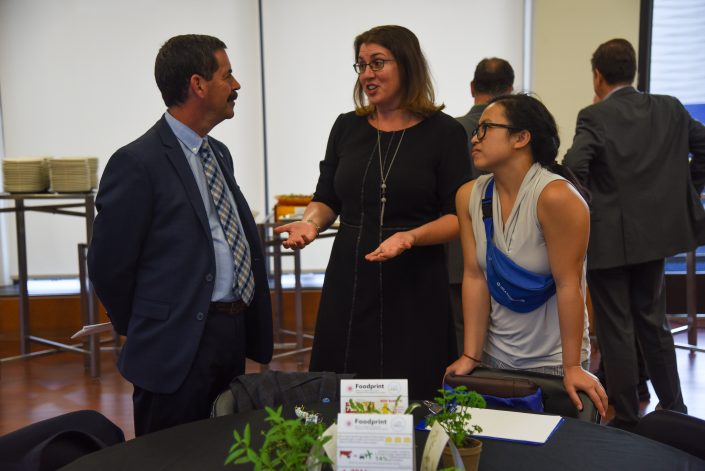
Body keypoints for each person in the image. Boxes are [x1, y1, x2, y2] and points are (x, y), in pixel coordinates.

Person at [88, 34, 273, 435]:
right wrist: (146, 323)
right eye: (228, 75)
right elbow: (108, 265)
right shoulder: (137, 163)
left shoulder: (218, 152)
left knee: (226, 448)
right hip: (174, 344)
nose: (236, 85)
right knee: (172, 456)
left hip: (231, 332)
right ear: (198, 84)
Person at [274, 25, 471, 400]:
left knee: (413, 389)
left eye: (377, 63)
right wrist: (311, 224)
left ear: (408, 65)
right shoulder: (346, 127)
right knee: (344, 386)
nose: (367, 74)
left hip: (415, 279)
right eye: (361, 65)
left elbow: (457, 217)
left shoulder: (444, 133)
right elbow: (327, 198)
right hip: (350, 273)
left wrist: (410, 237)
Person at [563, 38, 705, 431]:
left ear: (598, 75)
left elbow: (575, 165)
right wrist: (687, 188)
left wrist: (590, 210)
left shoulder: (595, 116)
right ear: (634, 71)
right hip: (657, 237)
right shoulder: (670, 108)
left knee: (616, 328)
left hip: (610, 241)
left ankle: (626, 416)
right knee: (653, 322)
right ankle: (675, 409)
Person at [445, 93, 608, 418]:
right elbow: (475, 277)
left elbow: (569, 286)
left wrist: (573, 365)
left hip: (553, 360)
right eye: (476, 130)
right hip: (495, 358)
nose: (475, 138)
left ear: (521, 137)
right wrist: (472, 356)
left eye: (486, 128)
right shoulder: (469, 196)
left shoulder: (557, 197)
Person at [448, 58, 514, 355]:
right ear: (511, 90)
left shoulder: (450, 130)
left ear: (473, 87)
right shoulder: (522, 133)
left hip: (457, 255)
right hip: (511, 255)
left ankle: (468, 399)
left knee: (464, 339)